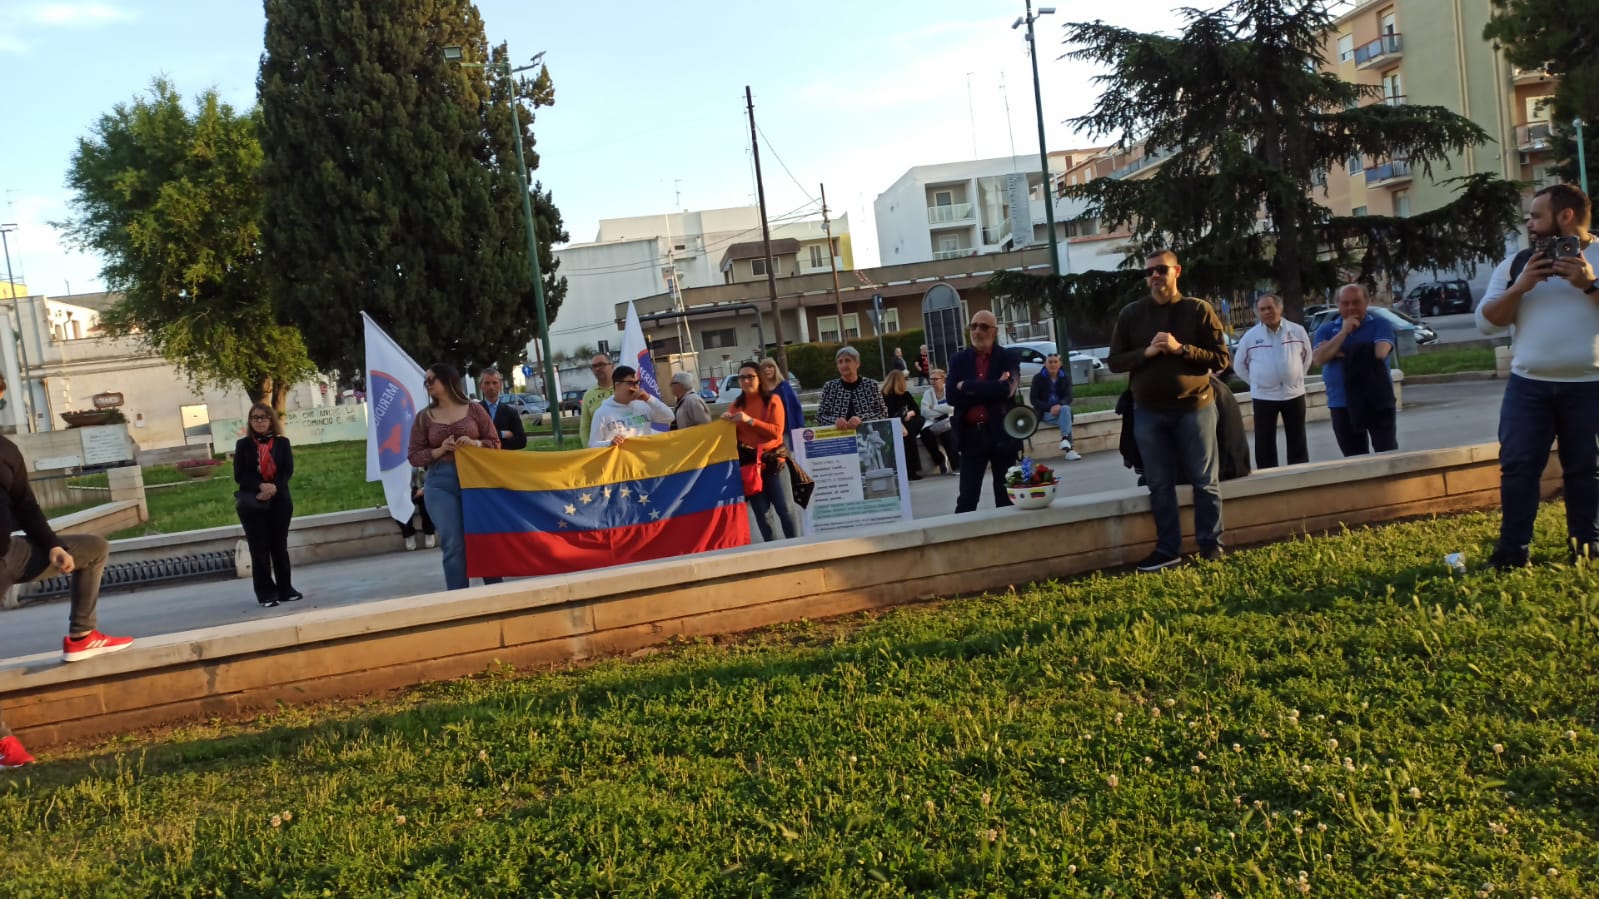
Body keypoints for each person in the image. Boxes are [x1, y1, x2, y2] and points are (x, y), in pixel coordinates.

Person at [0, 375, 132, 770]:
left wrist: (53, 545)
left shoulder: (6, 450)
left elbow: (26, 505)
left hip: (11, 554)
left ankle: (82, 635)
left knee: (92, 549)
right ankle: (3, 743)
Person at [1477, 183, 1599, 569]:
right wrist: (1520, 287)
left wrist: (1589, 285)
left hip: (1590, 386)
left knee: (1586, 469)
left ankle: (1587, 547)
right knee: (1518, 468)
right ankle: (1513, 551)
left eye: (1536, 216)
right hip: (1528, 387)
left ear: (1565, 216)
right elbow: (1487, 323)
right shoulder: (1516, 264)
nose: (1529, 224)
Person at [1107, 249, 1230, 571]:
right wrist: (1146, 353)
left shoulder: (1198, 310)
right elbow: (1115, 361)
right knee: (1159, 484)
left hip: (1195, 407)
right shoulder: (1132, 314)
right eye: (1149, 272)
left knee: (1204, 481)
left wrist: (1181, 349)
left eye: (1161, 269)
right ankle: (1168, 549)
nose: (1155, 276)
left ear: (1177, 271)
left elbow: (1221, 358)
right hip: (1148, 413)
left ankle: (1211, 546)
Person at [407, 362, 501, 591]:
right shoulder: (424, 417)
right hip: (441, 483)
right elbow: (414, 456)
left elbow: (495, 443)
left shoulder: (474, 410)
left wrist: (475, 444)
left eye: (432, 379)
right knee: (453, 544)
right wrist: (439, 451)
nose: (427, 384)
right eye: (425, 381)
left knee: (484, 540)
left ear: (448, 380)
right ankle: (459, 598)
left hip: (476, 480)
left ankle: (496, 594)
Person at [949, 309, 1022, 513]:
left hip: (1001, 433)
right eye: (973, 326)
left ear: (994, 331)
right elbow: (952, 396)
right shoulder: (958, 360)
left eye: (983, 327)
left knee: (1006, 497)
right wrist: (993, 386)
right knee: (967, 498)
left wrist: (967, 386)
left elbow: (1007, 390)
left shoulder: (1008, 357)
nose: (977, 331)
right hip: (971, 436)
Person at [1311, 283, 1397, 457]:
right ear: (1338, 304)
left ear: (1367, 302)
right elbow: (1319, 358)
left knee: (1387, 456)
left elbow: (1380, 352)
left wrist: (1340, 351)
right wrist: (1343, 332)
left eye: (1356, 302)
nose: (1351, 307)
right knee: (1354, 459)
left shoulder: (1381, 324)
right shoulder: (1326, 330)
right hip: (1341, 403)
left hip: (1377, 401)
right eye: (1345, 303)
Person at [233, 403, 302, 607]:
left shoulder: (282, 443)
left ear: (271, 420)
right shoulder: (243, 445)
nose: (259, 421)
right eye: (255, 418)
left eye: (263, 417)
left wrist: (272, 488)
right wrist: (260, 486)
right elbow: (240, 475)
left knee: (279, 547)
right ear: (250, 421)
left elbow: (287, 470)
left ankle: (285, 589)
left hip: (280, 500)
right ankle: (266, 594)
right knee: (259, 549)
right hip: (253, 503)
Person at [1234, 293, 1311, 468]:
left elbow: (1307, 357)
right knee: (1264, 441)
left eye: (1270, 307)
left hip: (1294, 394)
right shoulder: (1250, 337)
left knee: (1298, 439)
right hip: (1264, 397)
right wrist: (1258, 383)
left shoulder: (1297, 330)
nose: (1267, 312)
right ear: (1257, 313)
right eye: (1262, 309)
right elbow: (1239, 366)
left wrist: (1296, 377)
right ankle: (1267, 475)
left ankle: (1300, 473)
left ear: (1280, 308)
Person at [724, 361, 799, 541]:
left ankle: (796, 547)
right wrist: (726, 424)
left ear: (759, 378)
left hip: (775, 462)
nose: (745, 381)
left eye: (750, 377)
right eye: (742, 377)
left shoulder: (773, 400)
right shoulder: (735, 406)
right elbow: (733, 438)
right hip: (750, 466)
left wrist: (749, 420)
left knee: (785, 509)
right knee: (763, 515)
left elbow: (776, 431)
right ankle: (772, 551)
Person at [588, 365, 674, 446]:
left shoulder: (643, 405)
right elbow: (592, 444)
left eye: (637, 382)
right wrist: (610, 443)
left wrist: (649, 398)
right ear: (617, 385)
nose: (636, 387)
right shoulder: (602, 413)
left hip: (644, 455)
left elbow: (669, 417)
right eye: (631, 383)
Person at [816, 346, 888, 429]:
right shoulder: (830, 387)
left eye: (847, 360)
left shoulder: (871, 385)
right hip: (840, 435)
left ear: (857, 364)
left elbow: (883, 413)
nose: (843, 365)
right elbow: (820, 416)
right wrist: (835, 421)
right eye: (840, 362)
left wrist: (861, 419)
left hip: (866, 434)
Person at [1029, 352, 1081, 461]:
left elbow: (1069, 397)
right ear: (1045, 364)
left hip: (1061, 411)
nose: (1053, 364)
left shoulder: (1065, 378)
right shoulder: (1038, 378)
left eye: (1055, 362)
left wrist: (1059, 405)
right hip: (1044, 412)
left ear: (1060, 364)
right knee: (1066, 416)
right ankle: (1069, 450)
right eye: (1050, 362)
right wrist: (1050, 408)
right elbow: (1034, 400)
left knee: (1065, 409)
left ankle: (1064, 439)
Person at [880, 370, 925, 480]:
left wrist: (909, 413)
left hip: (908, 421)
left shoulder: (905, 394)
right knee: (908, 436)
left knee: (910, 432)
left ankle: (910, 471)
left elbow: (916, 409)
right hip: (893, 423)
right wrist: (900, 424)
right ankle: (911, 471)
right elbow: (888, 415)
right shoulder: (885, 396)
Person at [919, 368, 959, 475]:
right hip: (934, 422)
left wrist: (934, 407)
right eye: (931, 379)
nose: (932, 381)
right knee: (925, 434)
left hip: (949, 421)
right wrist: (942, 410)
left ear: (942, 379)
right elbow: (924, 411)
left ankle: (956, 466)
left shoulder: (949, 391)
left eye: (935, 379)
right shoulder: (928, 393)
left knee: (947, 436)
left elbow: (951, 408)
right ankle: (940, 459)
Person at [477, 366, 527, 451]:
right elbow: (472, 437)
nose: (491, 387)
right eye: (487, 383)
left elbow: (521, 441)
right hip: (481, 458)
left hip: (504, 458)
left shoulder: (511, 412)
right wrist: (502, 434)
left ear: (500, 385)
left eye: (494, 383)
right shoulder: (474, 411)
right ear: (480, 386)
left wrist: (493, 444)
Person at [759, 357, 804, 448]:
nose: (767, 369)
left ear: (775, 369)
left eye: (770, 366)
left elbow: (796, 406)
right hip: (768, 431)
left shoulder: (784, 386)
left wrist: (800, 425)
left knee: (788, 454)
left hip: (786, 429)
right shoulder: (759, 389)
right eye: (764, 367)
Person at [577, 353, 614, 446]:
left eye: (601, 364)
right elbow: (585, 428)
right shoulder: (588, 395)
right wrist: (588, 449)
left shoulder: (623, 387)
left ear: (612, 366)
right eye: (594, 366)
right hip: (601, 449)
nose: (597, 369)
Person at [397, 466, 435, 551]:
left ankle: (429, 532)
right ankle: (408, 534)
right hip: (404, 490)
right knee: (399, 505)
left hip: (423, 488)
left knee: (427, 503)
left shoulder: (422, 458)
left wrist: (424, 489)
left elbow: (432, 474)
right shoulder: (396, 460)